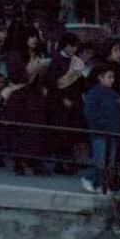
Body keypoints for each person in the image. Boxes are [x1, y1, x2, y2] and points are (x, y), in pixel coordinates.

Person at [1, 25, 51, 176]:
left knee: (35, 131)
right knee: (21, 131)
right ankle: (20, 162)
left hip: (34, 96)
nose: (34, 39)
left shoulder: (37, 54)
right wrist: (32, 69)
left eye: (35, 36)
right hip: (19, 96)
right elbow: (16, 77)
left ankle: (33, 161)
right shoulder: (15, 54)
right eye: (31, 36)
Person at [45, 31, 87, 174]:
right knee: (60, 133)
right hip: (59, 103)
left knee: (72, 133)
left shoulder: (77, 61)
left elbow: (80, 83)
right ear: (65, 46)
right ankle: (60, 163)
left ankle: (70, 163)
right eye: (72, 46)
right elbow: (52, 82)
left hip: (74, 102)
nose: (74, 50)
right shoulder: (56, 60)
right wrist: (62, 98)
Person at [80, 63, 120, 194]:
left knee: (109, 161)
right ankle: (90, 179)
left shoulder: (114, 94)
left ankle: (102, 185)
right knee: (100, 160)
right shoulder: (94, 93)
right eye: (109, 77)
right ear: (101, 77)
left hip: (113, 131)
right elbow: (89, 113)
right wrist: (102, 124)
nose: (112, 80)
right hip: (100, 132)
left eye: (113, 77)